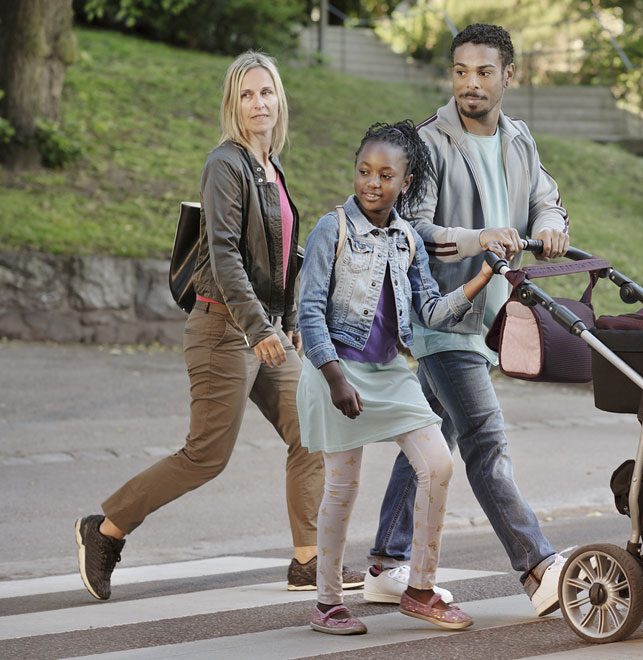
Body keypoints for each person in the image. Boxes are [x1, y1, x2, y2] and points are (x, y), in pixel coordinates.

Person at [72, 51, 355, 601]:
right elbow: (224, 255)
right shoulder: (224, 164)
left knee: (313, 430)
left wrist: (290, 319)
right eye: (247, 94)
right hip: (223, 330)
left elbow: (281, 255)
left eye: (266, 92)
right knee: (206, 455)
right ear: (234, 103)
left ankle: (307, 560)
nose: (258, 103)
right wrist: (259, 329)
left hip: (264, 330)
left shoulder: (270, 166)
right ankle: (104, 530)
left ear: (279, 99)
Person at [363, 23, 571, 617]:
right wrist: (477, 238)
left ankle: (384, 563)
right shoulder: (427, 144)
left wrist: (552, 224)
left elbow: (546, 197)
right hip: (442, 317)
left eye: (483, 72)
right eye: (460, 71)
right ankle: (536, 566)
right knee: (484, 440)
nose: (469, 84)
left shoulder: (519, 139)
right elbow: (413, 230)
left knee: (434, 437)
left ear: (509, 75)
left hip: (490, 314)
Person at [297, 121, 506, 634]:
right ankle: (327, 603)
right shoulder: (333, 228)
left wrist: (481, 275)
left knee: (437, 465)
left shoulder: (408, 237)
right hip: (337, 372)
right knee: (342, 488)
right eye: (364, 171)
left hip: (390, 373)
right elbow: (309, 312)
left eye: (385, 175)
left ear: (405, 182)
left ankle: (419, 590)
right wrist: (334, 376)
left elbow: (430, 312)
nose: (372, 182)